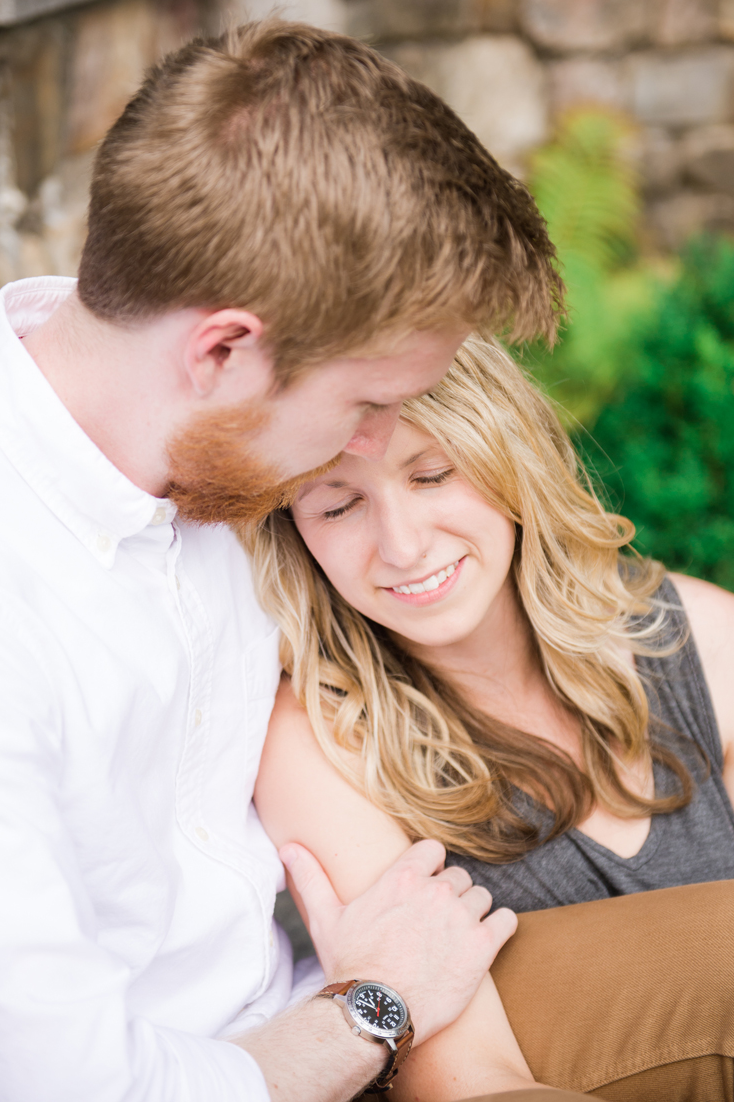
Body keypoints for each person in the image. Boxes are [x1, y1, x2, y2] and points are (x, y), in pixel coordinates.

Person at [0, 20, 575, 1102]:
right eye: (365, 405)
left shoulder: (174, 425)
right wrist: (375, 1006)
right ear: (222, 348)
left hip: (338, 1000)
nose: (369, 448)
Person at [250, 334, 734, 1099]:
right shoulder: (322, 741)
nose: (403, 546)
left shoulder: (698, 638)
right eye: (338, 504)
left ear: (508, 452)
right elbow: (466, 1084)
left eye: (433, 473)